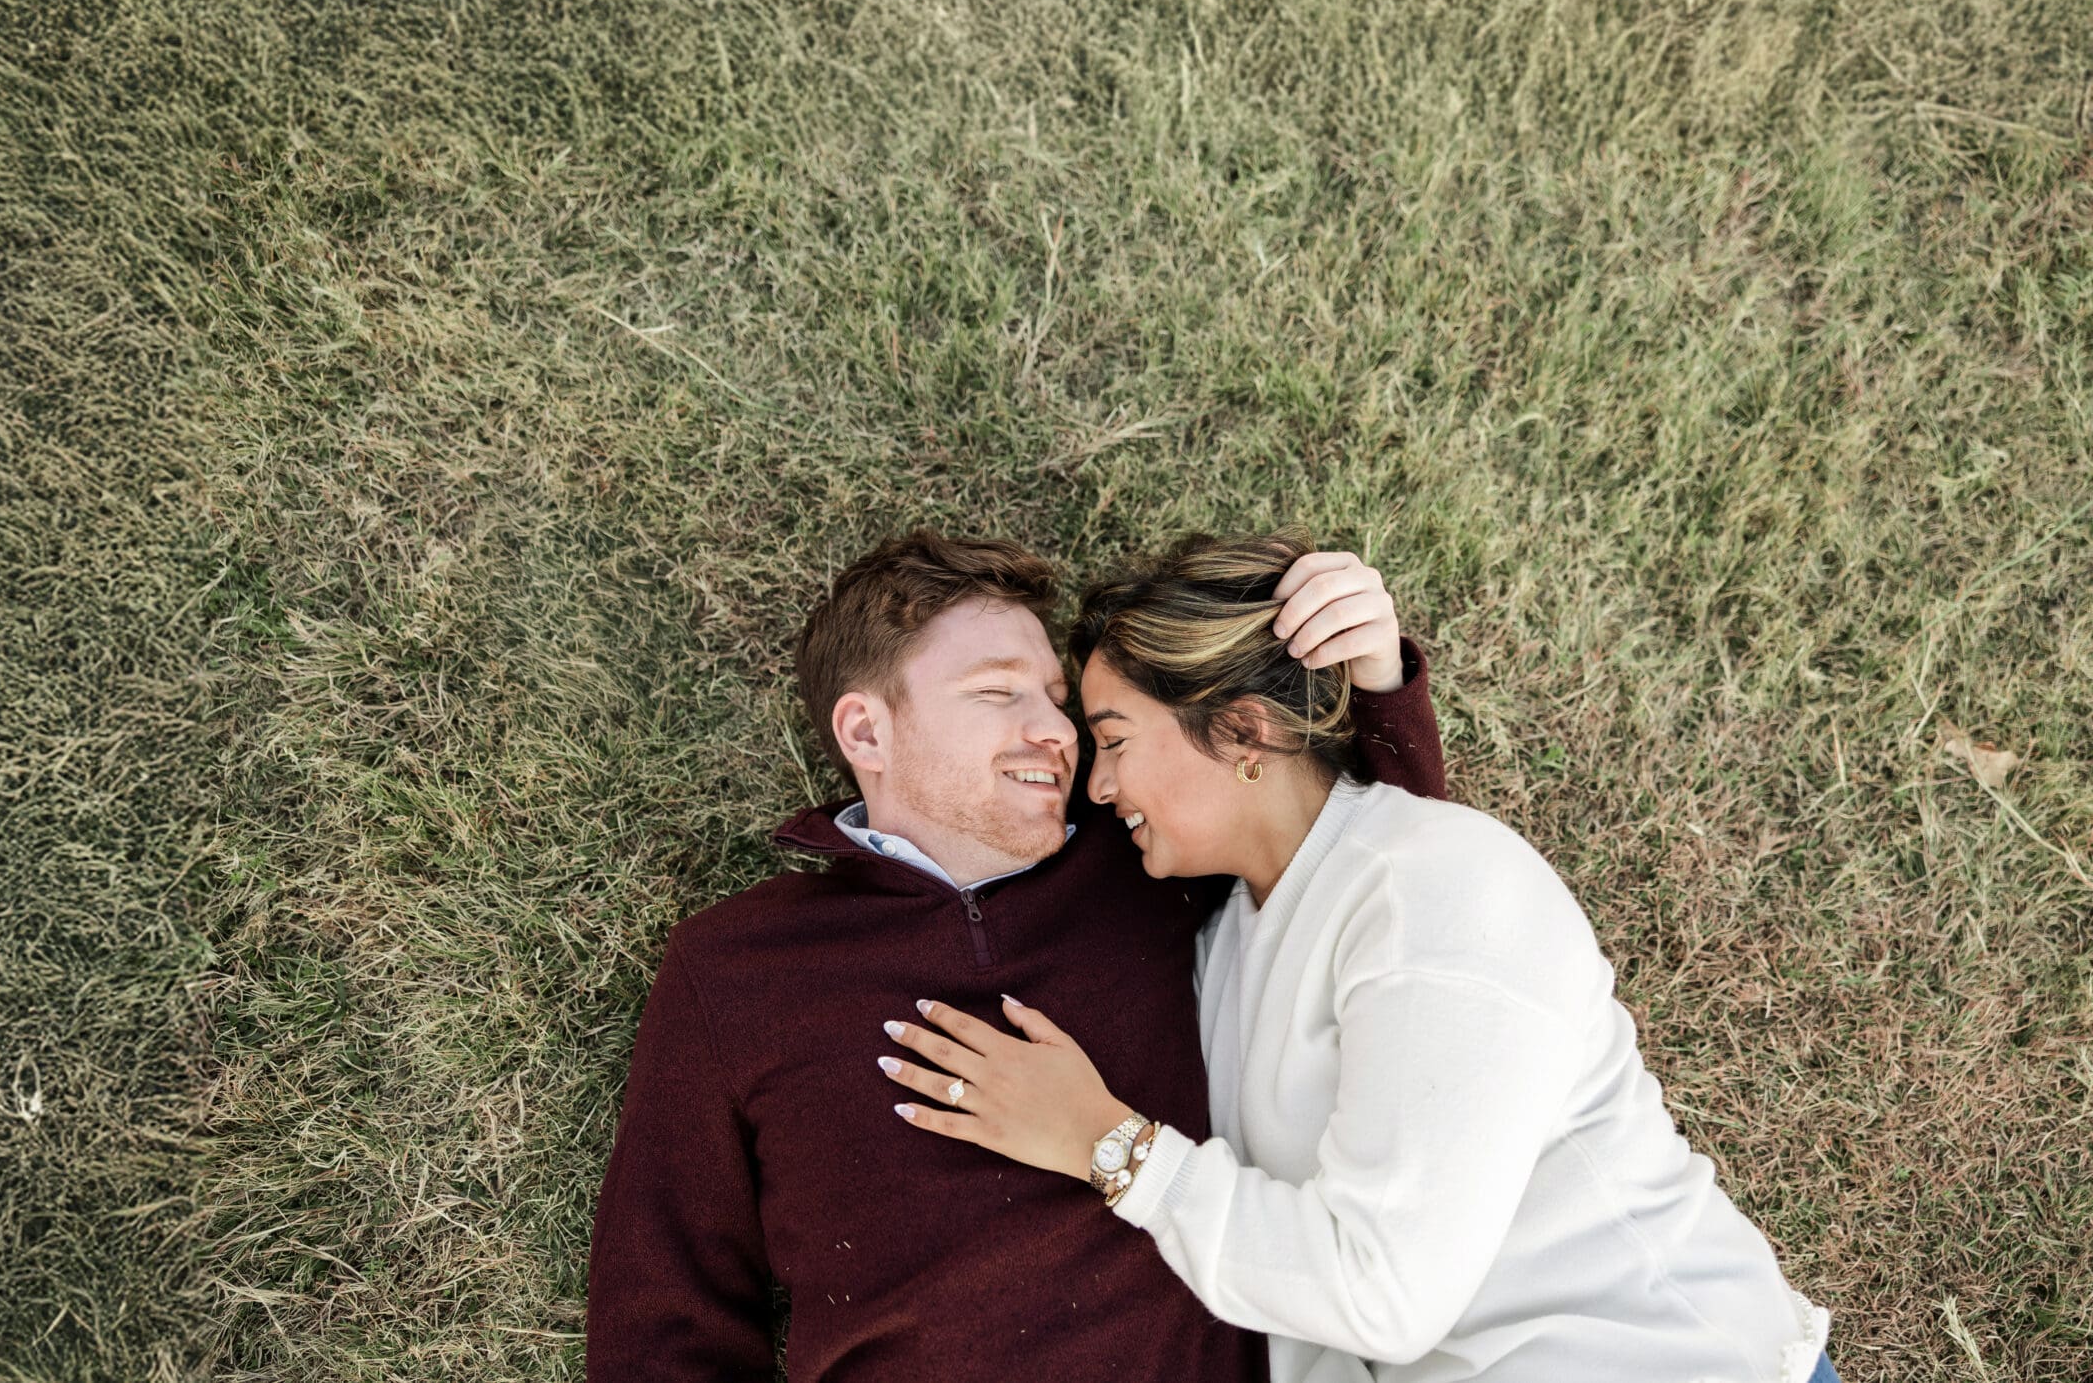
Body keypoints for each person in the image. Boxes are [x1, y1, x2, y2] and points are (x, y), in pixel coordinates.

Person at [879, 532, 1837, 1383]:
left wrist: (1111, 1146)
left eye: (1115, 741)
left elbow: (1384, 1295)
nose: (1099, 783)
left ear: (1247, 732)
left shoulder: (1439, 889)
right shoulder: (1224, 947)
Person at [585, 529, 1448, 1382]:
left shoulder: (1146, 863)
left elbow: (1377, 892)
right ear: (867, 733)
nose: (1058, 733)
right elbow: (664, 1319)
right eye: (999, 694)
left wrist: (1374, 679)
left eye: (1058, 699)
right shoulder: (738, 966)